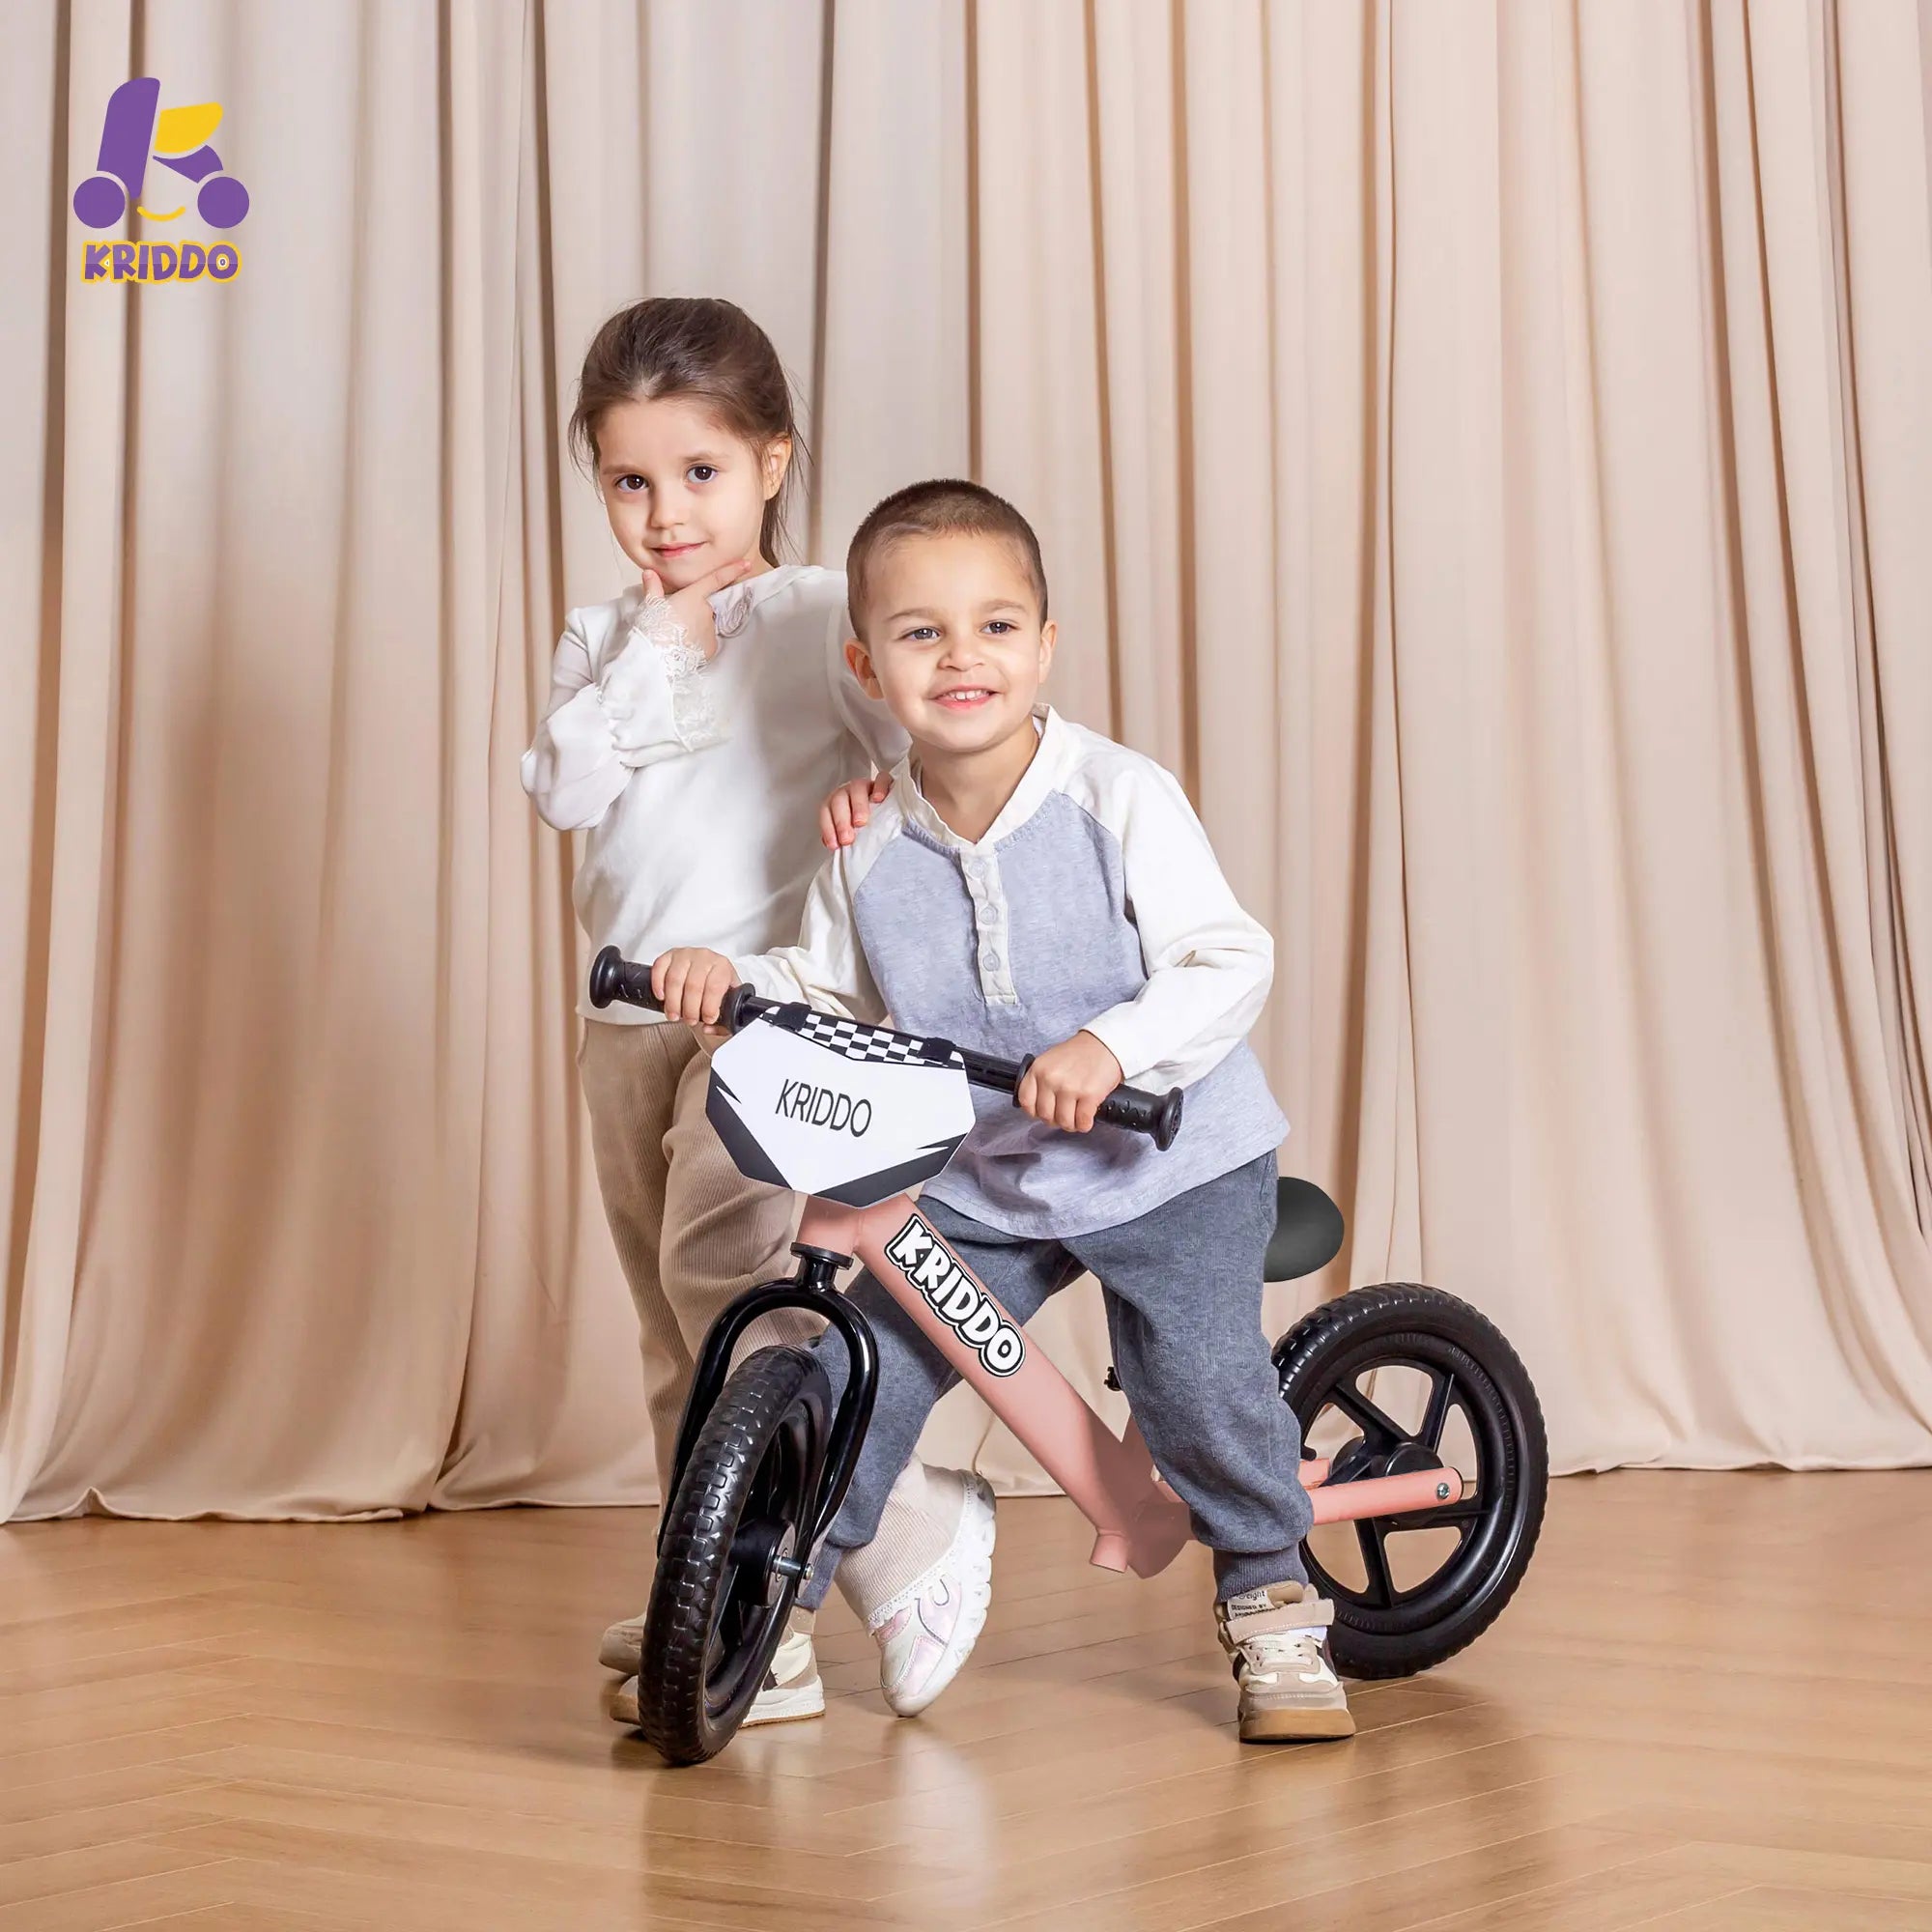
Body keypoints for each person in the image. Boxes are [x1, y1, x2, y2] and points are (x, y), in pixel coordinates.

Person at [652, 480, 1352, 1742]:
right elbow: (821, 981)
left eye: (996, 626)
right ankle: (775, 1609)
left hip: (1168, 1160)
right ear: (869, 668)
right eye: (921, 634)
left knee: (1190, 1371)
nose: (962, 656)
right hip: (988, 1175)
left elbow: (1226, 957)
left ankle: (1273, 1596)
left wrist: (1109, 1044)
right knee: (858, 1363)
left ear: (1045, 645)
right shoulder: (863, 843)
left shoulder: (1118, 799)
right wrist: (725, 979)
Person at [521, 302, 990, 1728]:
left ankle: (886, 1546)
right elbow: (566, 789)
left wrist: (876, 807)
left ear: (774, 463)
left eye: (702, 475)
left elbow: (928, 757)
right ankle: (716, 1594)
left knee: (731, 1297)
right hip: (622, 1019)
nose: (668, 514)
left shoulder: (818, 620)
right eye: (631, 482)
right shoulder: (600, 642)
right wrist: (660, 637)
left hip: (770, 1024)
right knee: (676, 1331)